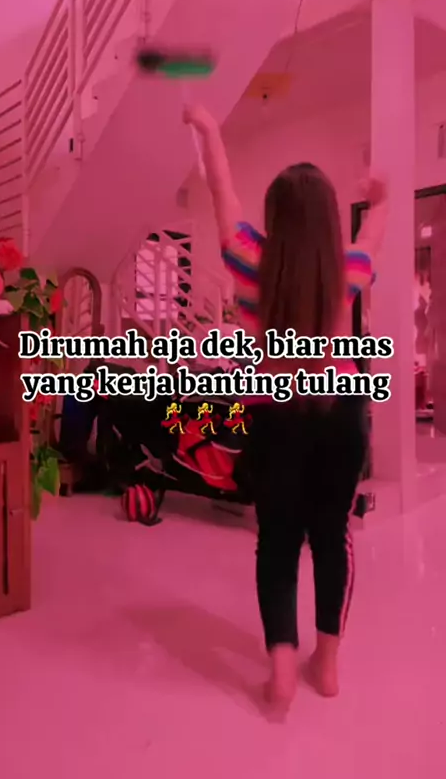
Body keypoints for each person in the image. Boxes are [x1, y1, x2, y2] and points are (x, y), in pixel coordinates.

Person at [183, 103, 387, 715]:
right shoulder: (348, 269)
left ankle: (280, 666)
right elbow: (375, 230)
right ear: (329, 221)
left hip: (273, 417)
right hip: (339, 416)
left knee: (276, 541)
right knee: (331, 537)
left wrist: (209, 129)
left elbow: (221, 192)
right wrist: (380, 198)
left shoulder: (247, 259)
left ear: (274, 218)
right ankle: (327, 662)